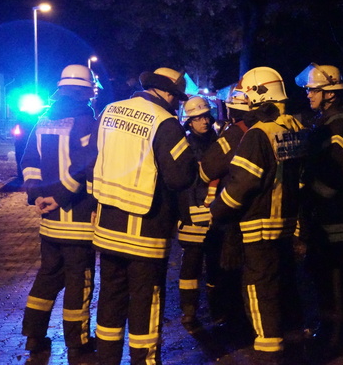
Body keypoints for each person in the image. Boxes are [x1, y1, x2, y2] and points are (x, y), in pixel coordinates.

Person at [87, 67, 197, 365]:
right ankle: (144, 360)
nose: (176, 103)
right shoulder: (165, 122)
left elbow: (90, 162)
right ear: (167, 93)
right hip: (147, 230)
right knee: (145, 300)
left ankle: (106, 359)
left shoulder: (109, 111)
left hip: (108, 227)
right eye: (176, 97)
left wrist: (96, 205)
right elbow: (180, 176)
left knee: (110, 296)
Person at [210, 67, 308, 364]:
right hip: (285, 222)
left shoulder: (258, 134)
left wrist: (217, 210)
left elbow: (241, 183)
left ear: (258, 96)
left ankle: (268, 353)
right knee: (282, 284)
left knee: (258, 288)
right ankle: (291, 344)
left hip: (259, 225)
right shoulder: (295, 127)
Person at [20, 64, 99, 363]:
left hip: (49, 224)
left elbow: (29, 162)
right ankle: (78, 342)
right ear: (84, 92)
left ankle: (34, 336)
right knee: (79, 281)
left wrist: (37, 194)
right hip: (78, 221)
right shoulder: (86, 122)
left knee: (48, 277)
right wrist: (60, 197)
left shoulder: (42, 121)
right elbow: (85, 166)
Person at [294, 63, 343, 348]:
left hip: (338, 213)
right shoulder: (325, 121)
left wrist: (309, 192)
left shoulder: (341, 123)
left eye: (314, 90)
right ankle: (328, 328)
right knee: (322, 271)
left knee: (336, 274)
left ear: (331, 93)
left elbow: (337, 171)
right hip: (325, 212)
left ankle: (337, 335)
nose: (308, 94)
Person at [199, 87, 258, 333]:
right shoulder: (272, 129)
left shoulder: (236, 133)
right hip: (265, 213)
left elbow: (208, 168)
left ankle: (233, 320)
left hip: (233, 214)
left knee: (229, 266)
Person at [176, 96, 219, 333]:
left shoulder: (219, 141)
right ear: (189, 122)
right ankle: (189, 311)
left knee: (216, 264)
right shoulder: (184, 146)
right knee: (191, 266)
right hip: (192, 213)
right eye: (198, 118)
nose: (204, 121)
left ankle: (217, 309)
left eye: (205, 117)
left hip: (216, 213)